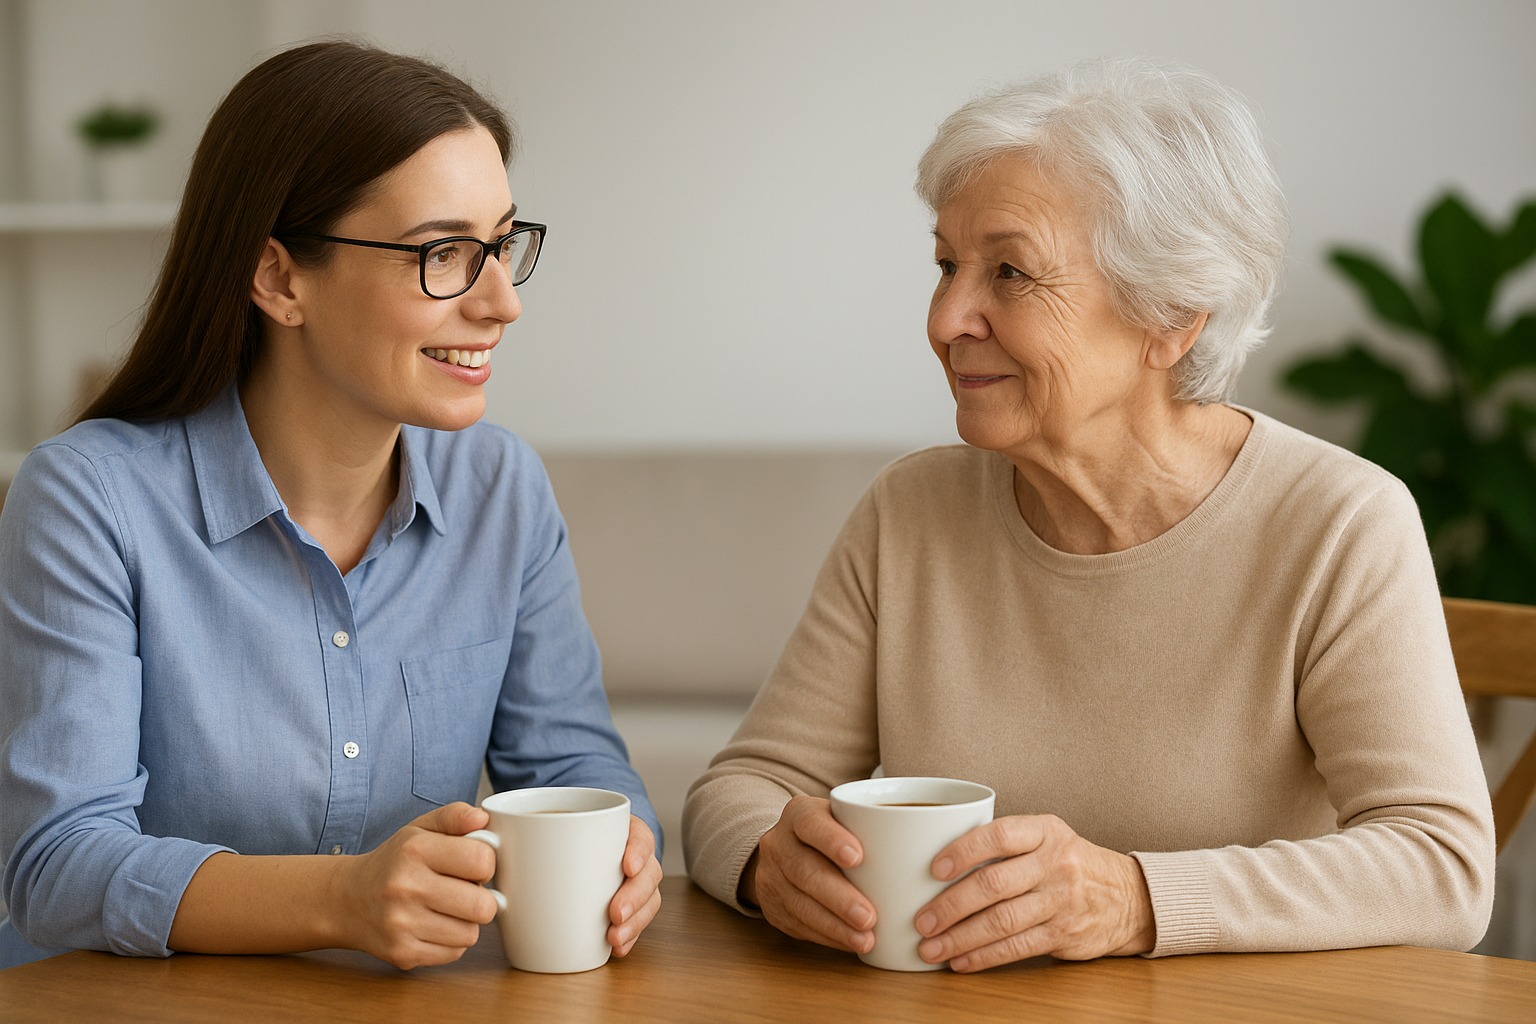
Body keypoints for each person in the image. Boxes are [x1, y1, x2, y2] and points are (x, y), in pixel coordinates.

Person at [682, 56, 1494, 971]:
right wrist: (767, 862)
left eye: (1011, 273)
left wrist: (1138, 901)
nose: (947, 317)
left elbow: (1443, 867)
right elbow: (742, 788)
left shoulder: (1339, 525)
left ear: (1173, 315)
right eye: (947, 265)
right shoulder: (910, 512)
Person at [0, 42, 662, 970]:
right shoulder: (88, 497)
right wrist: (338, 899)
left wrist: (626, 844)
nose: (502, 302)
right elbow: (56, 866)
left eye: (503, 245)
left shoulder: (502, 488)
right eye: (444, 253)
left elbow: (572, 772)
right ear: (278, 278)